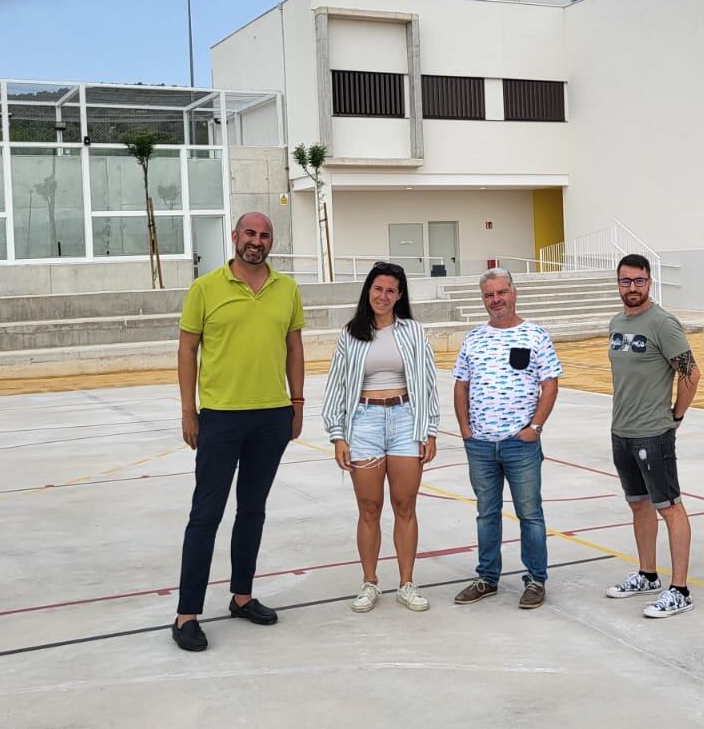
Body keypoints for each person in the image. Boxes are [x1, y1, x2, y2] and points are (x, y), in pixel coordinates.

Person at [173, 212, 305, 652]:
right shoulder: (206, 288)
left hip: (271, 416)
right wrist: (189, 411)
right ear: (235, 237)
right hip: (220, 417)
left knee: (252, 510)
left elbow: (294, 346)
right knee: (205, 515)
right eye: (250, 233)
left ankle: (242, 595)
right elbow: (187, 349)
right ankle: (186, 613)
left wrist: (297, 403)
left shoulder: (286, 288)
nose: (257, 241)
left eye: (265, 235)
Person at [321, 261, 441, 613]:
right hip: (365, 424)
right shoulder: (350, 334)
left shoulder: (414, 332)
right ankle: (370, 582)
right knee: (369, 508)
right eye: (378, 289)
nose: (383, 296)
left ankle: (407, 583)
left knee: (405, 505)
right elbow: (336, 387)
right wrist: (338, 435)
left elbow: (428, 382)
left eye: (391, 290)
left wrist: (429, 429)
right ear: (368, 291)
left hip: (405, 421)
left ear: (400, 295)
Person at [450, 268, 562, 609]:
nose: (495, 300)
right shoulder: (473, 338)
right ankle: (487, 577)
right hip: (481, 445)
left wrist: (535, 428)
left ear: (514, 293)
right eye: (488, 295)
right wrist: (466, 431)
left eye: (501, 292)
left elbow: (550, 384)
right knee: (487, 513)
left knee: (530, 514)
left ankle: (536, 580)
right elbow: (461, 385)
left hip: (521, 444)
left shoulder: (536, 336)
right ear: (482, 299)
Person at [603, 253, 701, 618]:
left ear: (649, 282)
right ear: (618, 283)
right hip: (622, 431)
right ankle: (647, 574)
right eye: (626, 281)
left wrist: (675, 416)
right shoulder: (616, 322)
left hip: (652, 433)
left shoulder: (663, 323)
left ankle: (680, 589)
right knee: (638, 503)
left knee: (669, 507)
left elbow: (691, 374)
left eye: (639, 281)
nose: (632, 288)